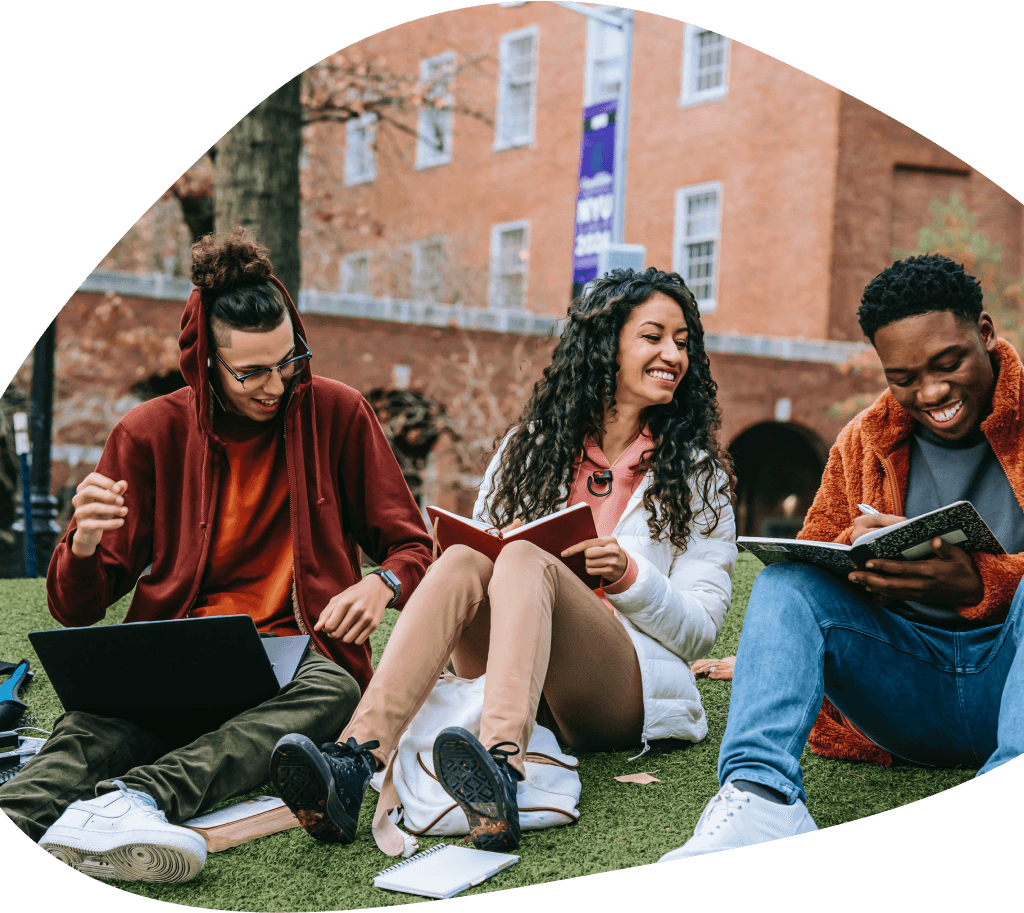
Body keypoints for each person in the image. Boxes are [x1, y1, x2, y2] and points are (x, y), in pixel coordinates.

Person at [662, 254, 1024, 861]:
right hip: (908, 691)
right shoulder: (862, 441)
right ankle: (761, 799)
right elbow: (818, 561)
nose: (930, 393)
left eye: (948, 363)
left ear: (985, 333)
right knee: (787, 583)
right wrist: (869, 568)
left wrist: (981, 581)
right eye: (903, 377)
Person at [0, 229, 433, 883]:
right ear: (205, 362)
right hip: (173, 657)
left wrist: (382, 584)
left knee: (336, 691)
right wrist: (82, 542)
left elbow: (412, 544)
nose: (277, 384)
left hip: (294, 664)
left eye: (289, 360)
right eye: (251, 371)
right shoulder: (147, 434)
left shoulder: (339, 413)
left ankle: (131, 801)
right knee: (84, 732)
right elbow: (75, 607)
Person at [268, 267, 738, 855]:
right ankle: (355, 760)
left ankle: (500, 769)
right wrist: (496, 544)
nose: (673, 353)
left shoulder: (696, 474)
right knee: (468, 556)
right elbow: (483, 559)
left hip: (617, 689)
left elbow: (699, 630)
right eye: (653, 336)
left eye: (682, 341)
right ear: (606, 344)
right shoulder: (528, 449)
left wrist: (629, 577)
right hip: (508, 670)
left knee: (524, 560)